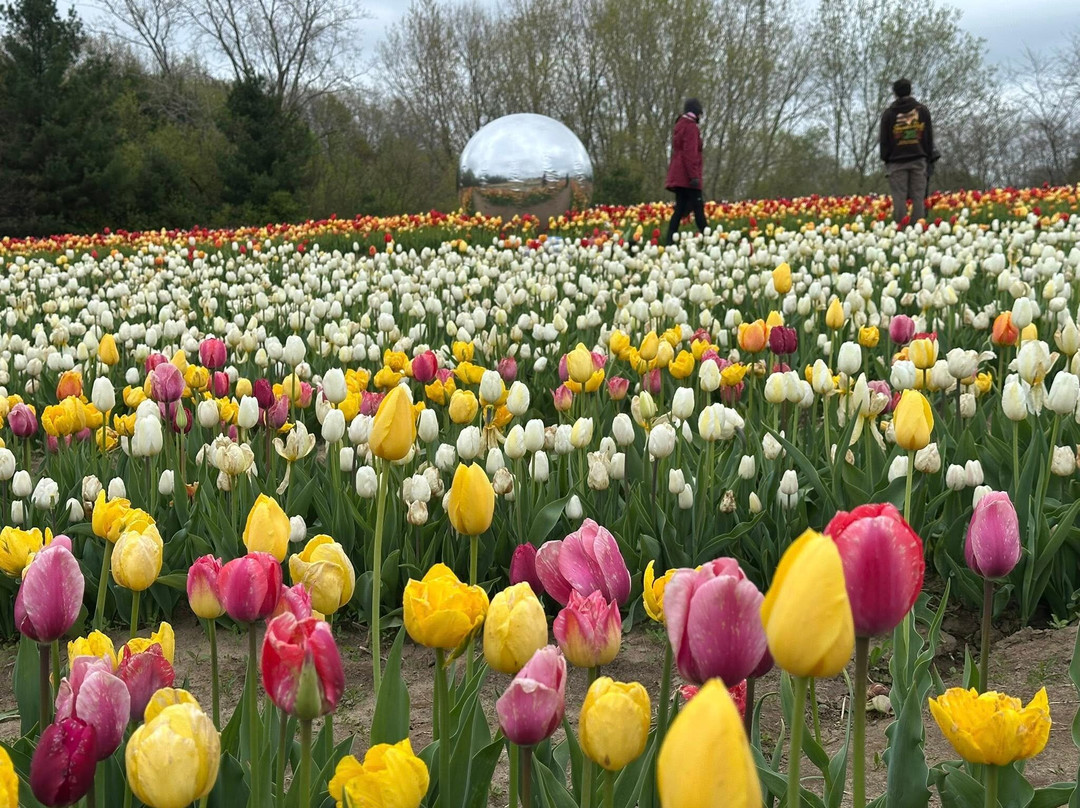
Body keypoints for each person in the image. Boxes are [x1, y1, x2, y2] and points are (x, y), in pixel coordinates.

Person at [879, 78, 937, 225]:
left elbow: (884, 139)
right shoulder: (922, 111)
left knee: (899, 196)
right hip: (918, 159)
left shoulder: (889, 114)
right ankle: (918, 229)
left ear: (895, 93)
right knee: (918, 196)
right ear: (910, 90)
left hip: (896, 162)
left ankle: (901, 229)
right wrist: (929, 158)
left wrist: (886, 158)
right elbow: (928, 136)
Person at [664, 98, 706, 245]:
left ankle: (669, 240)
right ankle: (709, 238)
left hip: (679, 175)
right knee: (698, 207)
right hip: (688, 177)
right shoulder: (691, 128)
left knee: (680, 207)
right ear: (696, 112)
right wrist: (694, 176)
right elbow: (690, 153)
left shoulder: (680, 125)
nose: (701, 117)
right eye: (700, 113)